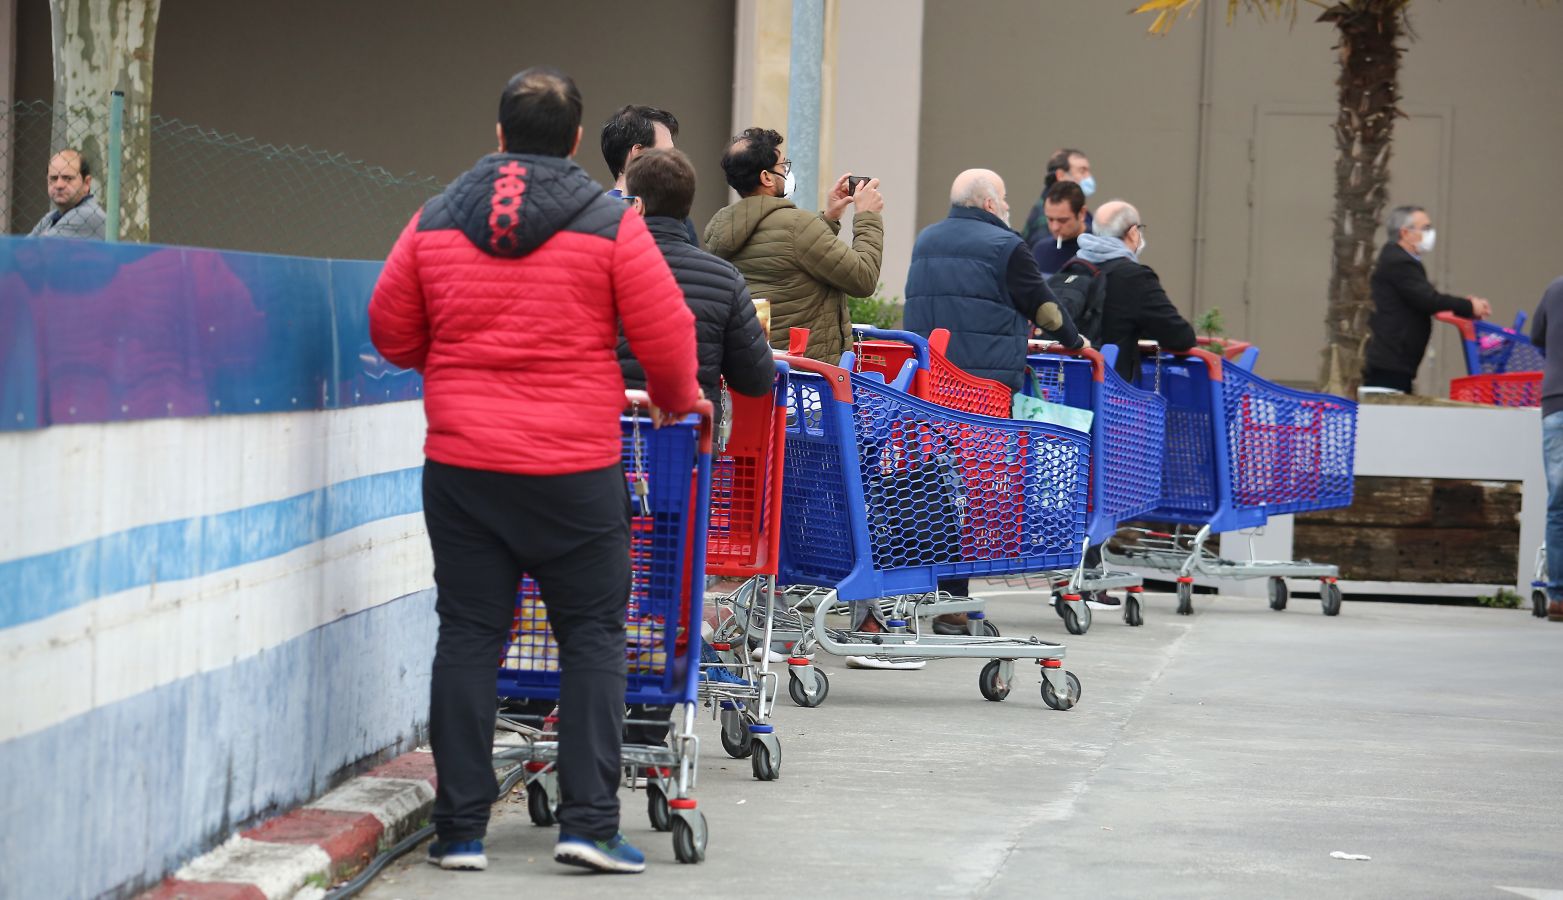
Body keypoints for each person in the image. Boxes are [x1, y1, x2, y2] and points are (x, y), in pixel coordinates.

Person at [369, 65, 700, 876]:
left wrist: (448, 362)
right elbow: (667, 339)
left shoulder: (435, 217)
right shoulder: (608, 221)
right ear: (579, 142)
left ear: (497, 135)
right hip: (571, 471)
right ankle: (588, 822)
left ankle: (458, 832)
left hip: (461, 467)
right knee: (591, 636)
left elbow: (391, 330)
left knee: (470, 635)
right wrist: (671, 397)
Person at [616, 146, 777, 737]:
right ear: (689, 207)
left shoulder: (601, 266)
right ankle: (656, 702)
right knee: (666, 566)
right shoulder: (720, 277)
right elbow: (758, 378)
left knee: (602, 564)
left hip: (598, 450)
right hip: (680, 453)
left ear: (633, 203)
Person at [902, 168, 1088, 642]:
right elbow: (1043, 306)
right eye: (1004, 199)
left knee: (932, 482)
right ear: (988, 203)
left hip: (928, 383)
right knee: (976, 491)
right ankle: (954, 603)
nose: (1008, 208)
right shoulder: (1006, 247)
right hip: (981, 388)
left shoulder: (927, 239)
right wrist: (1073, 338)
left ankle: (932, 589)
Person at [704, 127, 884, 364]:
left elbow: (790, 259)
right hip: (809, 379)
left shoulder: (721, 227)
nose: (787, 173)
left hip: (762, 370)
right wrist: (867, 216)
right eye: (782, 166)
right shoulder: (797, 226)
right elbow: (863, 278)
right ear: (766, 177)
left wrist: (828, 219)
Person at [1363, 205, 1492, 393]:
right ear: (1405, 233)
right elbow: (1428, 300)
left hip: (1396, 362)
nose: (1430, 234)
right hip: (1390, 363)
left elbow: (1427, 298)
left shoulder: (1401, 261)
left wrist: (1466, 306)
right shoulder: (1400, 262)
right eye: (1425, 228)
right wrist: (1469, 306)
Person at [1075, 199, 1196, 383]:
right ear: (1133, 233)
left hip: (1066, 389)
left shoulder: (1074, 266)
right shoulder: (1134, 277)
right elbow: (1180, 337)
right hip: (1112, 395)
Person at [599, 104, 700, 246]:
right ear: (638, 153)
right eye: (667, 153)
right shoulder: (676, 223)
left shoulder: (589, 219)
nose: (674, 160)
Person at [1529, 276, 1563, 622]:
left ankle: (1559, 598)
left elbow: (1536, 337)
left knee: (1558, 504)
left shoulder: (1554, 288)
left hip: (1556, 404)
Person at [1020, 147, 1095, 245]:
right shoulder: (1046, 215)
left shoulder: (1076, 206)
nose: (1088, 176)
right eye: (1082, 171)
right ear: (1061, 175)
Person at [28, 149, 106, 240]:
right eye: (53, 178)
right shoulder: (51, 216)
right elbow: (21, 249)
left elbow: (31, 250)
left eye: (68, 178)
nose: (59, 185)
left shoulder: (88, 215)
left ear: (86, 183)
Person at [1030, 180, 1089, 277]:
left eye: (1062, 220)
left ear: (1082, 213)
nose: (1055, 227)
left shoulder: (1097, 250)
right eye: (1050, 219)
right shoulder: (1040, 250)